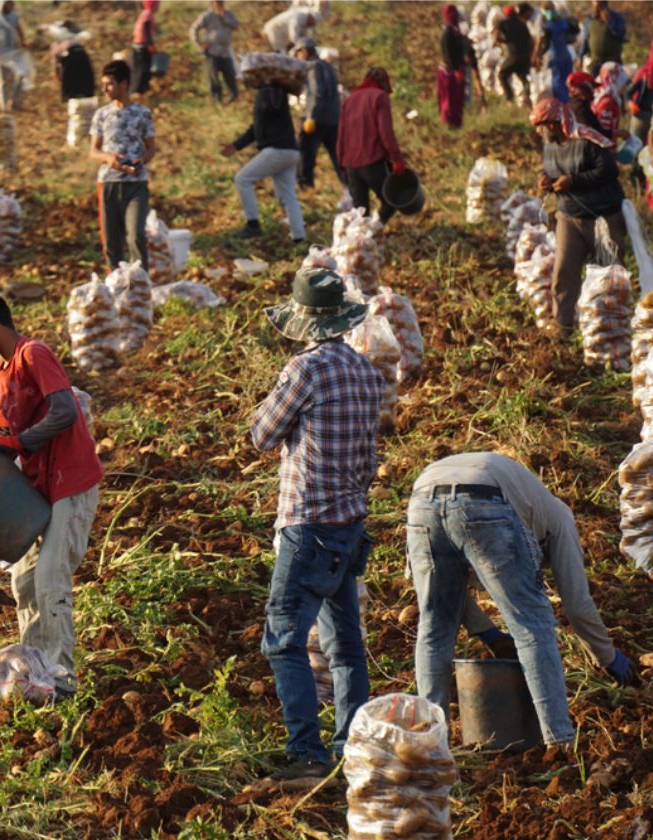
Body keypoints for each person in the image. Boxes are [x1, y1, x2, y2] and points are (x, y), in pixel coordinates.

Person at [407, 453, 640, 749]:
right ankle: (560, 741)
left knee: (434, 629)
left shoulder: (534, 505)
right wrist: (608, 657)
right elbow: (577, 604)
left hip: (421, 500)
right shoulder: (560, 517)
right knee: (533, 626)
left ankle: (431, 745)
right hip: (484, 498)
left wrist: (488, 633)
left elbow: (440, 594)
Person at [249, 267, 382, 781]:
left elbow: (262, 435)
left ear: (304, 323)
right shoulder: (366, 370)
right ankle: (350, 746)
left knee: (283, 639)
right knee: (345, 645)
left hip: (307, 525)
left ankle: (306, 753)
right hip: (348, 524)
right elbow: (369, 457)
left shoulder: (304, 369)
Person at [0, 288, 103, 700]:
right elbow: (7, 438)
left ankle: (61, 679)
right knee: (25, 582)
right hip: (36, 489)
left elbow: (64, 411)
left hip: (68, 481)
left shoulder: (32, 354)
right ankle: (36, 673)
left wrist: (21, 443)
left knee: (51, 579)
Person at [531, 97, 625, 333]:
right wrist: (548, 181)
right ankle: (562, 325)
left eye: (541, 127)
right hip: (569, 217)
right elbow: (555, 171)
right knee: (564, 272)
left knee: (608, 275)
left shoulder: (586, 141)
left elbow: (609, 170)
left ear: (553, 123)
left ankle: (609, 332)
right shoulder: (550, 145)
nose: (539, 132)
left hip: (602, 217)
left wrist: (573, 181)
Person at [89, 59, 157, 270]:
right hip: (109, 183)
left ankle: (140, 282)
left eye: (109, 84)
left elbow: (151, 148)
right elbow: (93, 151)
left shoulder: (142, 113)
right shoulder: (101, 115)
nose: (105, 89)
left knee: (135, 235)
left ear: (124, 84)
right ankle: (115, 282)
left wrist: (141, 160)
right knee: (111, 242)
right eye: (103, 84)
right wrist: (110, 159)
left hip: (136, 184)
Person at [225, 77, 304, 242]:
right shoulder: (276, 93)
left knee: (242, 179)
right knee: (288, 196)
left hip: (276, 151)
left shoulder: (268, 91)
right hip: (291, 151)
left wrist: (270, 85)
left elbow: (262, 118)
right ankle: (299, 238)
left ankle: (253, 224)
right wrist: (236, 146)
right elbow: (257, 127)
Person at [337, 68, 407, 225]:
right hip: (372, 162)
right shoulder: (379, 96)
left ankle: (362, 237)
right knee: (392, 200)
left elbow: (341, 134)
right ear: (384, 83)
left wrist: (341, 163)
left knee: (360, 213)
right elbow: (386, 132)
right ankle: (374, 229)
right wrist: (396, 159)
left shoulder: (349, 100)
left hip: (351, 165)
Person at [295, 37, 341, 191]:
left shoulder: (312, 67)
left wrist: (311, 116)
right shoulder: (327, 65)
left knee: (305, 152)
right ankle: (348, 186)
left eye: (299, 52)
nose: (298, 56)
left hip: (317, 119)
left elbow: (317, 93)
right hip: (332, 119)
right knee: (337, 154)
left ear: (305, 51)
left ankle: (305, 185)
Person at [438, 4, 481, 129]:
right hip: (449, 71)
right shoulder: (447, 33)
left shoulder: (455, 32)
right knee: (450, 99)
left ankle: (456, 123)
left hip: (456, 69)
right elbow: (447, 53)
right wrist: (455, 69)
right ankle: (449, 124)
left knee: (457, 99)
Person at [189, 0, 239, 103]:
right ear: (212, 4)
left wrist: (223, 16)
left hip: (225, 50)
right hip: (212, 50)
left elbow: (235, 25)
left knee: (230, 74)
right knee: (213, 76)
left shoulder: (229, 14)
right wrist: (199, 43)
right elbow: (194, 28)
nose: (219, 4)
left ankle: (233, 95)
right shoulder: (207, 16)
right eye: (216, 2)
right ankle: (217, 99)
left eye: (220, 3)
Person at [0, 0, 28, 113]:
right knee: (3, 80)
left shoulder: (14, 16)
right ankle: (4, 107)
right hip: (0, 53)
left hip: (14, 52)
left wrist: (23, 42)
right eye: (8, 4)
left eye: (11, 4)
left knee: (20, 76)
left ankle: (15, 102)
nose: (10, 6)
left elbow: (19, 30)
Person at [496, 3, 534, 107]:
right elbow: (530, 40)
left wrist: (505, 41)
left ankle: (509, 99)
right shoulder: (522, 23)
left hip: (513, 56)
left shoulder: (503, 23)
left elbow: (497, 37)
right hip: (525, 56)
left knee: (502, 75)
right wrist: (531, 55)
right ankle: (528, 100)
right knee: (524, 78)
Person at [536, 9, 575, 103]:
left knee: (558, 81)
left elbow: (546, 45)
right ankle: (570, 101)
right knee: (568, 80)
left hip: (556, 57)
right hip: (567, 55)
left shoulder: (548, 28)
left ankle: (563, 103)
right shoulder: (563, 24)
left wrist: (539, 55)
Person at [49, 22, 95, 101]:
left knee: (72, 90)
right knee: (84, 87)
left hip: (72, 62)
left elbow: (56, 60)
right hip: (80, 59)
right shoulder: (75, 41)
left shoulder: (58, 44)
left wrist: (55, 73)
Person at [578, 0, 625, 77]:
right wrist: (580, 56)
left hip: (613, 62)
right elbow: (586, 40)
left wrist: (609, 22)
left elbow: (621, 36)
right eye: (593, 2)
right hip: (596, 63)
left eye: (596, 2)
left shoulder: (616, 17)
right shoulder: (590, 19)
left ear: (603, 3)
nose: (594, 4)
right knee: (594, 83)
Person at [130, 0, 159, 97]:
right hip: (143, 46)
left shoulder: (143, 13)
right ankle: (138, 91)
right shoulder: (148, 14)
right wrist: (150, 44)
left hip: (137, 45)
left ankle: (137, 90)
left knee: (138, 69)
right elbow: (146, 29)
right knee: (143, 69)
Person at [592, 62, 624, 142]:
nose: (625, 87)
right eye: (623, 83)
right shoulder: (608, 103)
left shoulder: (600, 95)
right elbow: (604, 133)